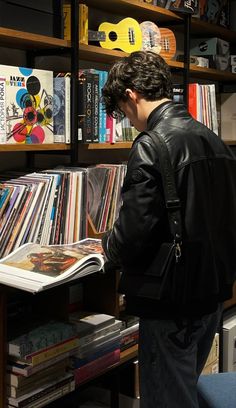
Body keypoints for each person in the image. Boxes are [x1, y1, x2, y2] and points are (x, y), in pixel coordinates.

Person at [101, 51, 236, 408]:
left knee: (165, 399)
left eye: (122, 109)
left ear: (131, 95)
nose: (127, 119)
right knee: (184, 386)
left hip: (171, 300)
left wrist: (104, 247)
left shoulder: (151, 145)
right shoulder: (213, 140)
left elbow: (132, 234)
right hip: (212, 290)